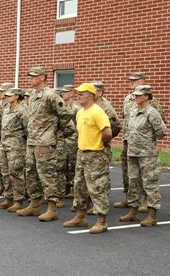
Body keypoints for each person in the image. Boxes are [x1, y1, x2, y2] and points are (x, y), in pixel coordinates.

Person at [17, 66, 72, 222]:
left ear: (42, 77)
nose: (31, 78)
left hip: (45, 142)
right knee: (31, 173)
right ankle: (34, 204)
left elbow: (66, 114)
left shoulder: (51, 95)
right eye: (30, 76)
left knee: (47, 175)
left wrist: (57, 129)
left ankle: (52, 208)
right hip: (33, 140)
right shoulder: (34, 94)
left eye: (34, 76)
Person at [63, 83, 112, 234]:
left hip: (95, 154)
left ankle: (101, 221)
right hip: (81, 153)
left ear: (90, 95)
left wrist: (98, 145)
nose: (78, 96)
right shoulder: (80, 112)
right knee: (80, 187)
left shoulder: (98, 112)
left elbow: (108, 133)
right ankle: (80, 216)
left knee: (97, 188)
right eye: (77, 93)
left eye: (81, 93)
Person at [115, 72, 166, 212]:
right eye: (130, 81)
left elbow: (160, 125)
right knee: (129, 172)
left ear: (143, 81)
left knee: (146, 173)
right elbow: (125, 119)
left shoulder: (152, 102)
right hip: (129, 141)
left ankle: (146, 201)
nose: (132, 83)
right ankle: (130, 198)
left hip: (145, 146)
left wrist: (148, 140)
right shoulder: (128, 99)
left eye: (135, 81)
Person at [0, 88, 29, 212]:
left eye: (9, 95)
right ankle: (8, 198)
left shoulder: (23, 110)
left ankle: (19, 200)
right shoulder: (6, 109)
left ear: (17, 96)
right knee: (5, 173)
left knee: (16, 173)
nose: (6, 97)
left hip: (16, 147)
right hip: (4, 145)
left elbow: (28, 129)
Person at [60, 84, 81, 201]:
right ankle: (67, 187)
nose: (63, 94)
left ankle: (74, 189)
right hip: (64, 140)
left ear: (72, 93)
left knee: (73, 164)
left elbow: (78, 126)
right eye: (62, 92)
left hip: (73, 140)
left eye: (66, 92)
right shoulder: (63, 106)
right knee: (65, 165)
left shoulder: (77, 108)